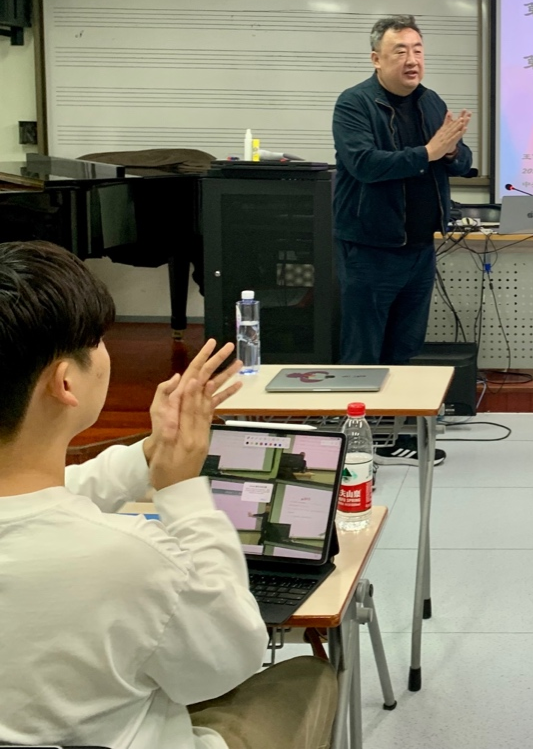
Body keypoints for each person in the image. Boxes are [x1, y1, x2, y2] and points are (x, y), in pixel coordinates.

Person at [0, 240, 338, 749]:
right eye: (98, 340)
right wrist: (182, 491)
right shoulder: (131, 559)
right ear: (65, 382)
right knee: (308, 678)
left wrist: (152, 452)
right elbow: (230, 656)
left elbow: (46, 497)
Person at [332, 15, 474, 468]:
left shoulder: (431, 102)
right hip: (370, 248)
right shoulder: (355, 104)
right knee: (364, 353)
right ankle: (355, 449)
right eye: (401, 51)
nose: (412, 60)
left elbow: (460, 162)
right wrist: (429, 152)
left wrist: (453, 149)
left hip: (419, 249)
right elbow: (365, 164)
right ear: (376, 58)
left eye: (417, 50)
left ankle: (390, 436)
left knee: (404, 348)